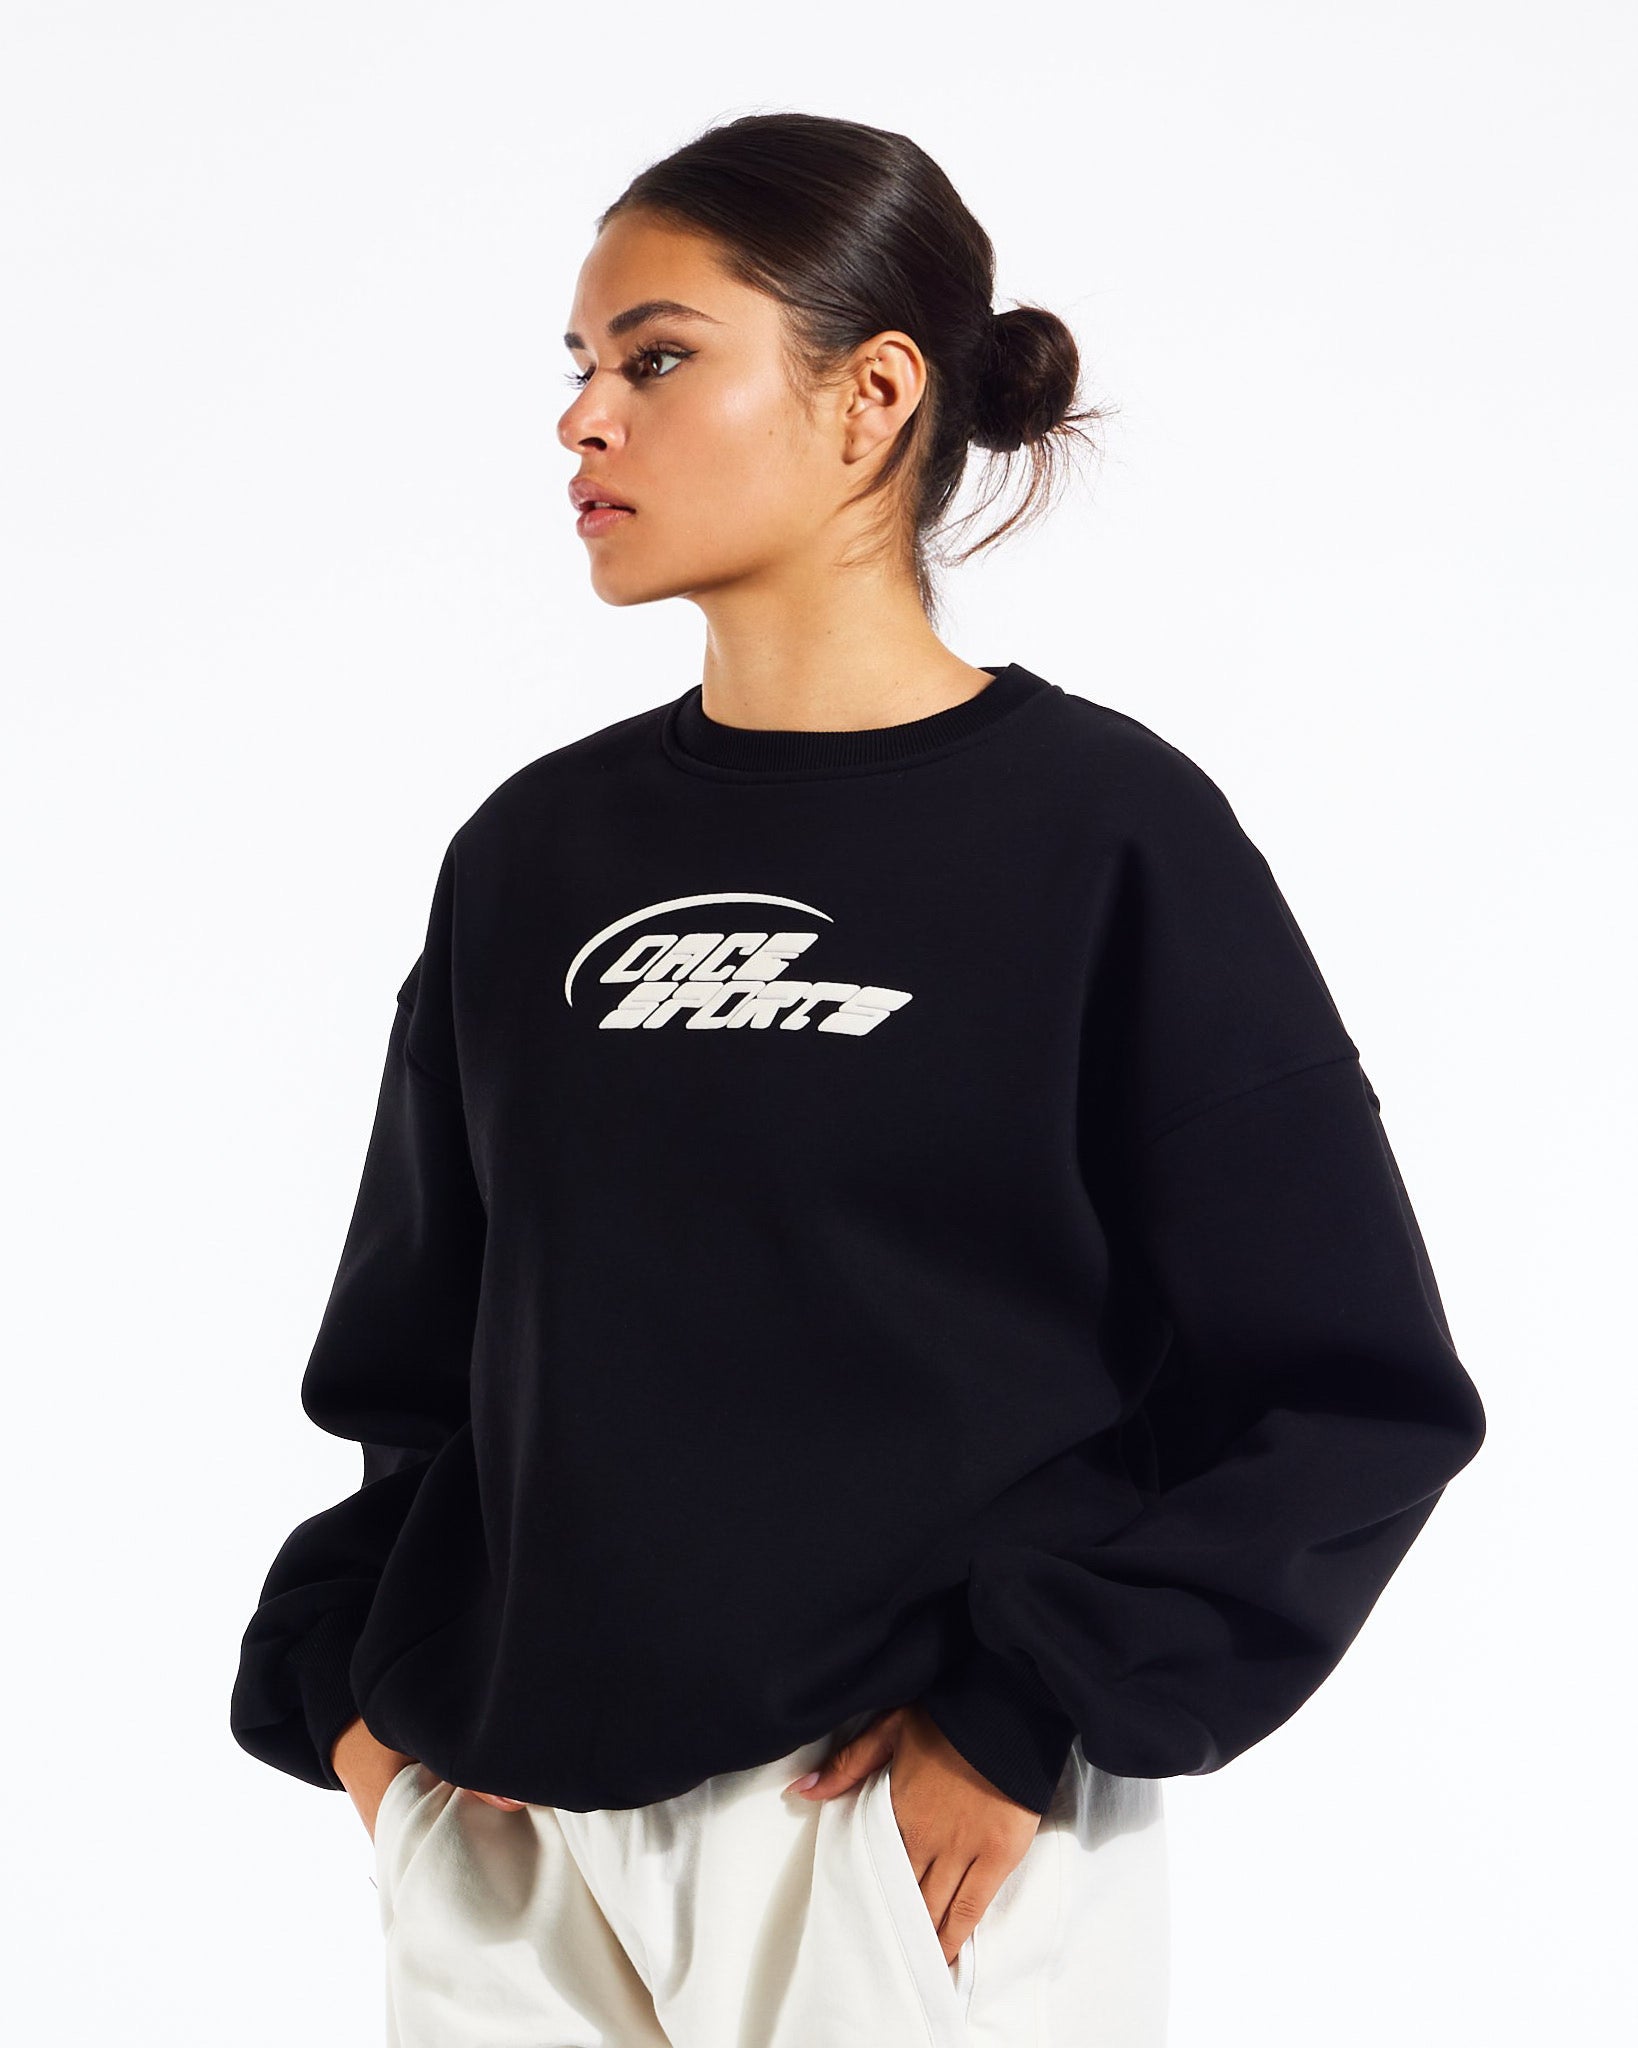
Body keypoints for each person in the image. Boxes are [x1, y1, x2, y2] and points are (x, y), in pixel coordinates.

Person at [230, 110, 1487, 2048]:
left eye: (656, 358)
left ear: (871, 395)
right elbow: (424, 1361)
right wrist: (358, 1701)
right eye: (579, 365)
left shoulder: (1102, 839)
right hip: (514, 1844)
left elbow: (1346, 1389)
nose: (583, 419)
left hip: (890, 1835)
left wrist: (1023, 1713)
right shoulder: (536, 856)